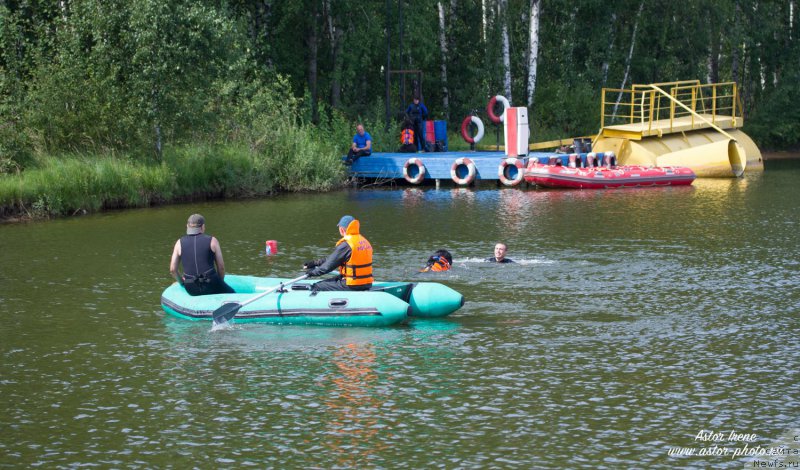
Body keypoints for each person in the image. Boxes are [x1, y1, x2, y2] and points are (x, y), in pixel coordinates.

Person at [169, 214, 235, 296]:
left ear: (187, 226)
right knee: (233, 294)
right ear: (203, 227)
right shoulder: (212, 241)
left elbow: (172, 269)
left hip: (191, 287)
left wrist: (182, 283)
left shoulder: (179, 243)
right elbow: (221, 267)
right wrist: (220, 283)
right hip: (212, 284)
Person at [303, 215, 373, 291]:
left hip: (352, 285)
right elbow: (333, 259)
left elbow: (327, 267)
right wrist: (315, 263)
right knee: (333, 279)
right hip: (367, 283)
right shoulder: (363, 241)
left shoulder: (346, 245)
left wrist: (311, 273)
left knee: (317, 286)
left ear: (342, 229)